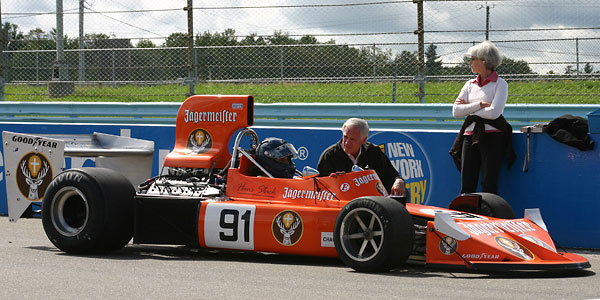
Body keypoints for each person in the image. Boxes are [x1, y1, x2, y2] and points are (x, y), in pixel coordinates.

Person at [449, 41, 516, 194]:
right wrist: (479, 105)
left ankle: (488, 215)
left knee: (489, 183)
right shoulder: (469, 84)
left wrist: (468, 108)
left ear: (484, 60)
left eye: (473, 59)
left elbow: (494, 113)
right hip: (469, 136)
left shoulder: (501, 84)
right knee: (467, 183)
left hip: (493, 137)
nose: (470, 62)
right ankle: (467, 215)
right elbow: (456, 111)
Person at [317, 118, 406, 196]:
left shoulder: (373, 152)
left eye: (352, 139)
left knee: (402, 193)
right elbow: (320, 189)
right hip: (342, 205)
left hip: (372, 204)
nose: (347, 143)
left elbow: (393, 176)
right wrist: (333, 181)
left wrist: (399, 181)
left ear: (363, 140)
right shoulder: (329, 156)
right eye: (345, 137)